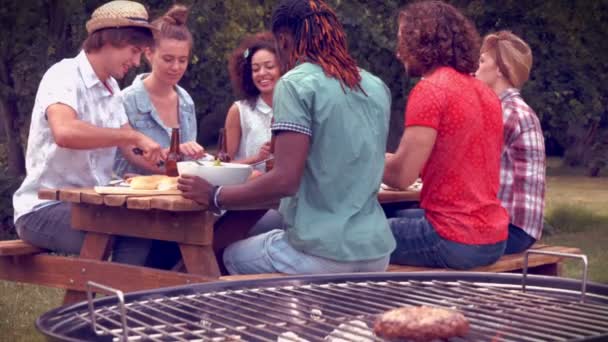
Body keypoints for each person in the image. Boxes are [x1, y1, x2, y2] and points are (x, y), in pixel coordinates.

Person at [178, 0, 395, 275]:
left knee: (224, 253)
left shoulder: (294, 83)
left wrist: (215, 195)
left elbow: (285, 180)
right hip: (376, 254)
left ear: (283, 40)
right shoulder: (375, 86)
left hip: (321, 254)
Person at [12, 1, 162, 265]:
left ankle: (118, 301)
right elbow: (65, 131)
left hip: (91, 206)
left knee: (157, 230)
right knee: (133, 233)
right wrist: (131, 137)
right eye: (134, 51)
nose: (137, 62)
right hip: (41, 209)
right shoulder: (63, 74)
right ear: (110, 40)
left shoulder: (112, 88)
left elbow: (132, 149)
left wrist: (172, 164)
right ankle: (116, 304)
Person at [383, 1, 508, 269]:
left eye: (403, 41)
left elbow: (401, 176)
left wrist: (358, 158)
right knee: (398, 216)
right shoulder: (485, 92)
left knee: (348, 237)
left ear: (423, 41)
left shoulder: (430, 90)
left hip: (453, 240)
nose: (398, 52)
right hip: (494, 237)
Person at [114, 4, 205, 177]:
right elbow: (133, 155)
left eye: (183, 60)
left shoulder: (186, 101)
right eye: (168, 59)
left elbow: (188, 160)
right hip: (132, 199)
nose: (176, 67)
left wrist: (194, 155)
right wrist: (176, 152)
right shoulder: (126, 100)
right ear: (148, 53)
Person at [475, 31, 546, 254]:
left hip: (512, 228)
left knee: (400, 220)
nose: (475, 68)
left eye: (482, 61)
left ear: (499, 70)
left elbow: (466, 166)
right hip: (516, 226)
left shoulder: (507, 112)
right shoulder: (507, 108)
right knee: (409, 217)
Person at [225, 32, 279, 170]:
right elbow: (221, 165)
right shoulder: (239, 111)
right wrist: (257, 158)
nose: (261, 73)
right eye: (255, 69)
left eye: (269, 66)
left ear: (283, 68)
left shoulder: (296, 109)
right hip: (250, 189)